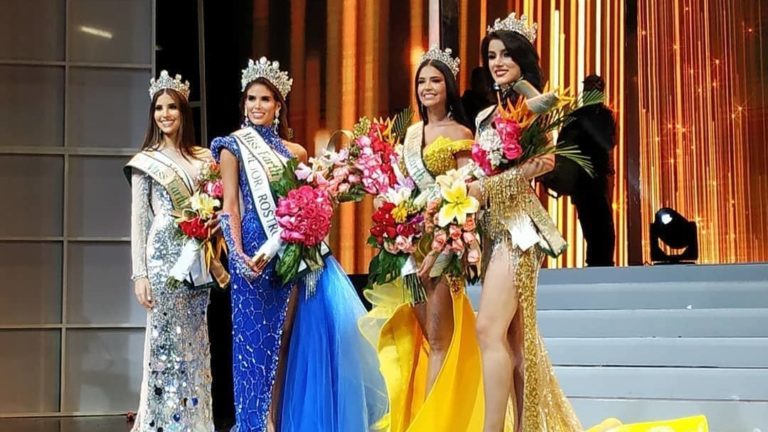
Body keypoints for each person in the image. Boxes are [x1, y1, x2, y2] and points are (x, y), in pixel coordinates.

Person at [210, 57, 387, 431]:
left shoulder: (297, 153)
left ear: (278, 106)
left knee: (283, 338)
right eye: (251, 99)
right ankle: (254, 422)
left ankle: (276, 420)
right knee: (252, 341)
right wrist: (237, 256)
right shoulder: (232, 147)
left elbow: (304, 202)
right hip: (252, 253)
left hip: (286, 252)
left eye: (265, 99)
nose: (257, 106)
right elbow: (230, 206)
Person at [360, 46, 485, 432]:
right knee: (424, 335)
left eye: (435, 80)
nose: (427, 87)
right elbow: (400, 186)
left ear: (449, 87)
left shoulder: (461, 134)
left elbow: (468, 195)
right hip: (410, 247)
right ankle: (424, 414)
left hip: (443, 245)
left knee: (441, 337)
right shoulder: (411, 135)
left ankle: (433, 422)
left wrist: (452, 240)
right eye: (422, 81)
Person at [127, 71, 215, 431]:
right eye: (159, 108)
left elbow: (217, 208)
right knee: (164, 341)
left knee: (194, 340)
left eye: (172, 107)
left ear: (183, 112)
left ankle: (194, 421)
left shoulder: (204, 159)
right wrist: (140, 274)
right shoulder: (145, 161)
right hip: (162, 260)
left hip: (196, 259)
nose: (165, 114)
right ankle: (159, 423)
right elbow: (139, 222)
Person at [561, 74, 616, 266]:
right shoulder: (578, 116)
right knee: (594, 228)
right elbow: (564, 145)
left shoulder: (603, 115)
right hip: (584, 180)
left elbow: (609, 143)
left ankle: (601, 266)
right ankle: (597, 266)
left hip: (596, 179)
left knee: (602, 229)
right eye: (588, 89)